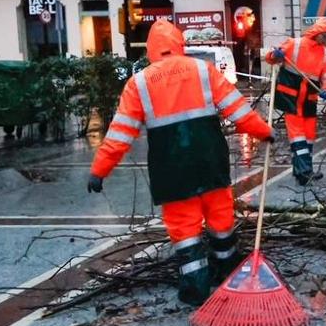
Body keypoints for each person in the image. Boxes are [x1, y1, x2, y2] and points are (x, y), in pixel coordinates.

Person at [86, 19, 273, 306]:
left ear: (150, 49)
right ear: (178, 44)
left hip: (171, 170)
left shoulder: (139, 84)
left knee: (185, 231)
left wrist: (99, 171)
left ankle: (196, 288)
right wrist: (264, 132)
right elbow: (238, 110)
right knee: (221, 219)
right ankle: (228, 274)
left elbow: (119, 134)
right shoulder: (202, 70)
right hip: (210, 161)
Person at [266, 19, 326, 186]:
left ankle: (302, 170)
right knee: (298, 137)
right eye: (323, 36)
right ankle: (304, 173)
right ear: (316, 33)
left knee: (309, 136)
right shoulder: (294, 44)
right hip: (290, 98)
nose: (325, 41)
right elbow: (271, 58)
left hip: (309, 100)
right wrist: (275, 55)